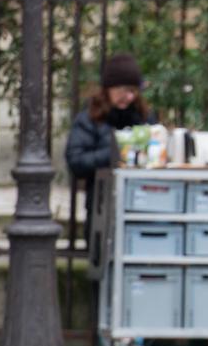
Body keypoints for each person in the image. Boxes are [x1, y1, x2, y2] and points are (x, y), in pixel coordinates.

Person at [65, 53, 153, 238]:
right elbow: (76, 160)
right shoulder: (90, 118)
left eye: (133, 91)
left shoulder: (144, 117)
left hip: (142, 204)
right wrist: (114, 153)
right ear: (108, 89)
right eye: (123, 90)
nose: (128, 97)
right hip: (102, 206)